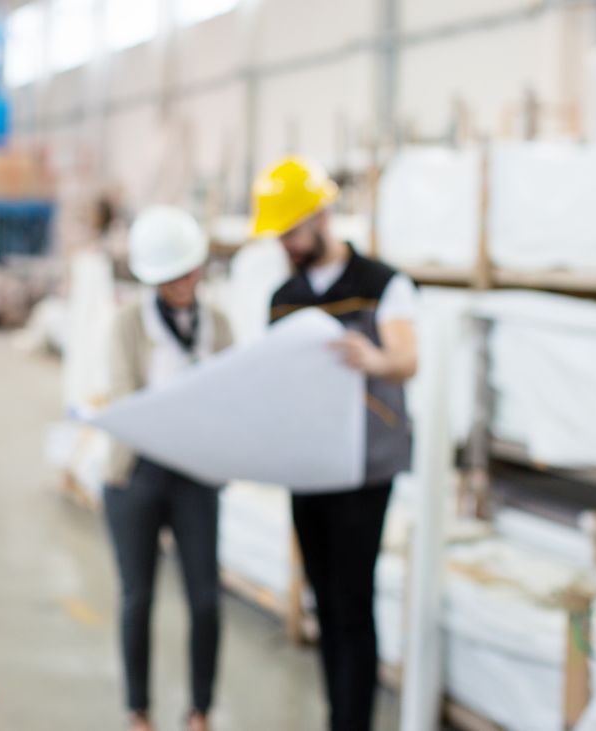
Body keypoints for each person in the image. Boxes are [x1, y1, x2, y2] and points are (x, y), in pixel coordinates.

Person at [250, 157, 418, 731]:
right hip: (311, 465)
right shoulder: (283, 296)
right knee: (324, 598)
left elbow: (408, 360)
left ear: (322, 217)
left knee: (354, 600)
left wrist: (373, 359)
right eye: (281, 236)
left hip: (364, 469)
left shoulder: (381, 285)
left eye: (294, 231)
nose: (288, 245)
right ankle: (336, 717)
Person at [104, 206, 234, 731]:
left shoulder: (219, 325)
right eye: (169, 276)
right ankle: (139, 711)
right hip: (137, 474)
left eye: (188, 272)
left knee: (205, 598)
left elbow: (230, 396)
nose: (182, 284)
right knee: (139, 597)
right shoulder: (127, 324)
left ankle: (200, 709)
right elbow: (123, 398)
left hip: (195, 475)